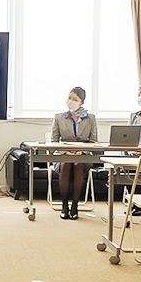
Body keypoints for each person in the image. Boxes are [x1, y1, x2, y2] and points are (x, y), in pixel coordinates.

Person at [50, 86, 99, 219]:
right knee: (66, 163)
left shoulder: (91, 118)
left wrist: (82, 151)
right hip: (63, 155)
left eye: (75, 99)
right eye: (69, 97)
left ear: (81, 103)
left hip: (83, 156)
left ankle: (75, 206)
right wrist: (66, 151)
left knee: (78, 165)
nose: (71, 101)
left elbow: (94, 141)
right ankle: (64, 206)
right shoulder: (59, 117)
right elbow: (53, 142)